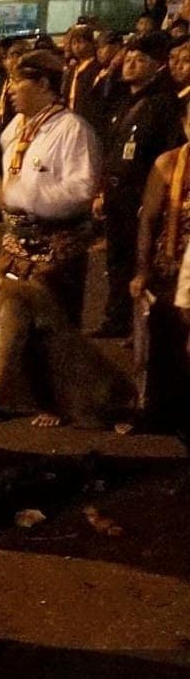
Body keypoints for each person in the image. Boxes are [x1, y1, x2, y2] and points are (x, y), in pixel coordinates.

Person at [0, 50, 99, 330]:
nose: (10, 90)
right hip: (15, 250)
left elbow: (81, 191)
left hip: (53, 258)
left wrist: (19, 196)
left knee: (49, 334)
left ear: (42, 84)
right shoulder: (17, 128)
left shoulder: (72, 130)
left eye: (17, 82)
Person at [92, 32, 182, 338]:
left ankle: (141, 327)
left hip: (141, 196)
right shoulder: (122, 103)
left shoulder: (162, 105)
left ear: (156, 66)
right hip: (116, 193)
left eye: (139, 60)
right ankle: (115, 319)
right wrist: (102, 190)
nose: (130, 64)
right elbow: (111, 150)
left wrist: (155, 198)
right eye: (128, 59)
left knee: (141, 262)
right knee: (116, 261)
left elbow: (168, 154)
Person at [129, 101, 190, 438]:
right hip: (172, 269)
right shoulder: (168, 164)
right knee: (166, 345)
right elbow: (148, 222)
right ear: (185, 125)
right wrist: (143, 271)